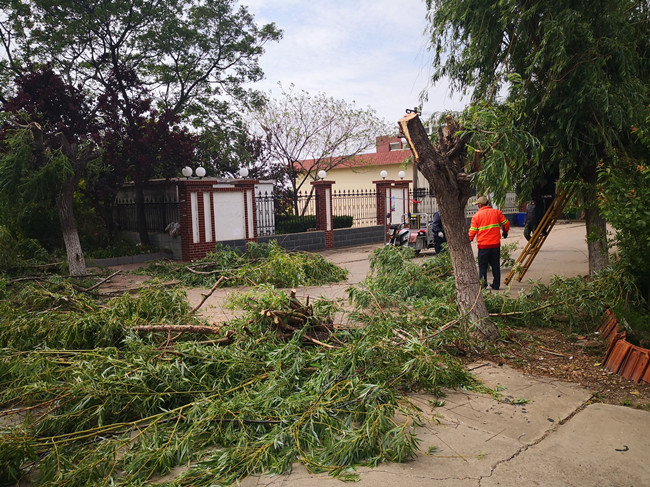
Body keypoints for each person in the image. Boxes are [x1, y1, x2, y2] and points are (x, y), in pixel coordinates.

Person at [468, 196, 510, 290]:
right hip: (495, 245)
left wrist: (469, 240)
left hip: (483, 246)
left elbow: (472, 231)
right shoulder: (496, 212)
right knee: (495, 265)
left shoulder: (476, 216)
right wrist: (505, 232)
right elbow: (506, 223)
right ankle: (496, 285)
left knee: (483, 266)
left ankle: (483, 285)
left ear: (480, 205)